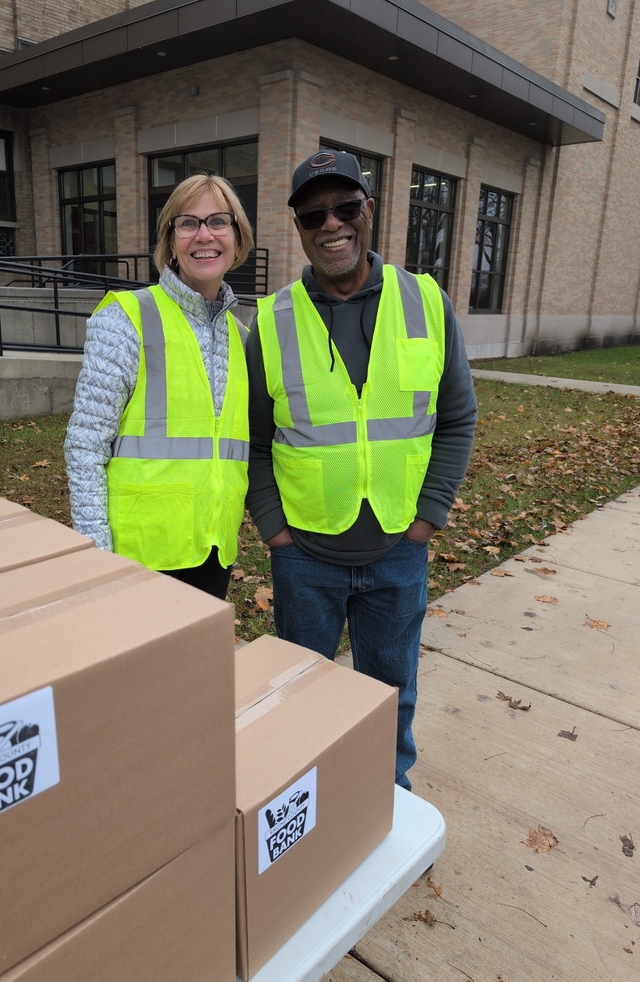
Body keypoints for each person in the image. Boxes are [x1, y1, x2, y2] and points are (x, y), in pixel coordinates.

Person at [246, 150, 477, 788]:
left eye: (346, 208)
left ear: (369, 212)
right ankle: (308, 813)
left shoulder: (426, 302)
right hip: (306, 559)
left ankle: (388, 806)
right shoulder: (270, 321)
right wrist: (276, 533)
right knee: (300, 700)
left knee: (391, 694)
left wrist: (427, 521)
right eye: (314, 214)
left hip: (398, 552)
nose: (332, 225)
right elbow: (254, 442)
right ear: (298, 227)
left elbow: (457, 419)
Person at [65, 173, 254, 599]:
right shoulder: (127, 318)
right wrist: (96, 556)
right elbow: (85, 447)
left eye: (218, 222)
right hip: (137, 557)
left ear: (237, 238)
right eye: (187, 223)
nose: (204, 235)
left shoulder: (242, 340)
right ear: (170, 242)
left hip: (212, 553)